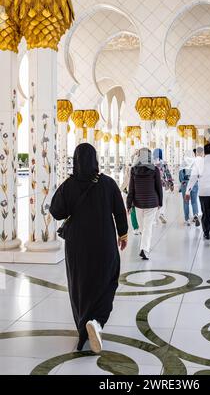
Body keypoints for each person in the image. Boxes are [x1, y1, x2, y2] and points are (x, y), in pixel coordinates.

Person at [49, 143, 128, 354]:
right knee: (108, 280)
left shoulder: (69, 185)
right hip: (104, 243)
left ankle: (84, 330)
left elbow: (56, 212)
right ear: (95, 160)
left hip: (77, 246)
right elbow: (120, 211)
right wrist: (123, 234)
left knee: (80, 285)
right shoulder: (108, 184)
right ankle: (97, 322)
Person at [126, 148, 162, 260]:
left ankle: (144, 249)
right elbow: (159, 187)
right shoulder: (155, 169)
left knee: (144, 227)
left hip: (138, 203)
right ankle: (144, 248)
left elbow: (131, 189)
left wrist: (128, 204)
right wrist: (160, 202)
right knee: (146, 227)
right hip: (151, 202)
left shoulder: (133, 170)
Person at [121, 152, 140, 235]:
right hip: (134, 191)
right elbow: (126, 180)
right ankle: (136, 227)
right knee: (134, 210)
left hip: (135, 191)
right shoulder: (130, 168)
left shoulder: (134, 168)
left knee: (135, 210)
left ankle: (137, 227)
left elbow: (126, 180)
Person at [179, 150, 200, 226]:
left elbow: (181, 176)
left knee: (186, 202)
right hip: (194, 183)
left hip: (185, 183)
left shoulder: (183, 162)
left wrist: (182, 182)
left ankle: (187, 219)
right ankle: (195, 215)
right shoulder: (195, 162)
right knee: (194, 201)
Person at [153, 148, 174, 224]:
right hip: (162, 183)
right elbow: (167, 173)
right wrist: (171, 182)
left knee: (155, 200)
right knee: (162, 199)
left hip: (153, 184)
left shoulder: (152, 163)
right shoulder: (164, 163)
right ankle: (162, 214)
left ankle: (154, 218)